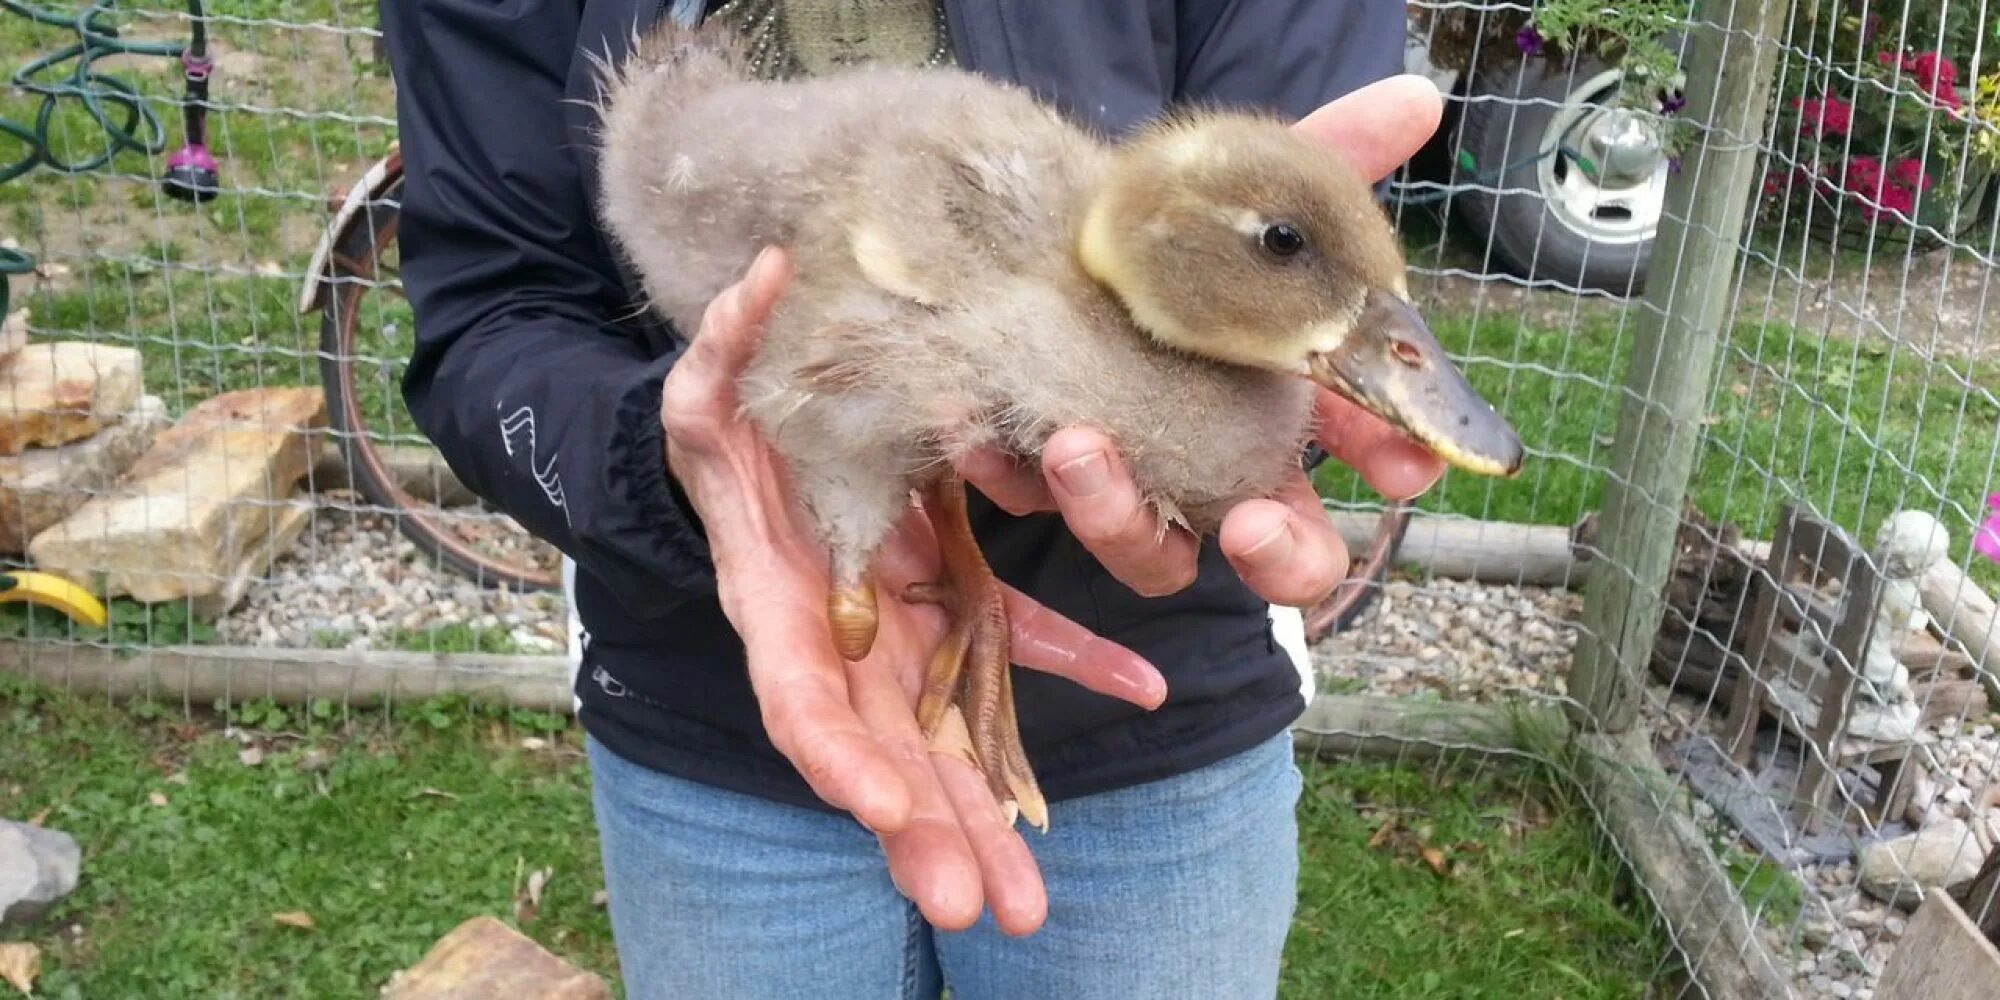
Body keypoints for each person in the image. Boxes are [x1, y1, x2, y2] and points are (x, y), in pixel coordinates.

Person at [378, 0, 1445, 996]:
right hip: (706, 700)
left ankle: (949, 568)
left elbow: (1268, 217)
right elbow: (493, 306)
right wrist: (679, 468)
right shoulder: (906, 217)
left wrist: (1277, 372)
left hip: (1161, 710)